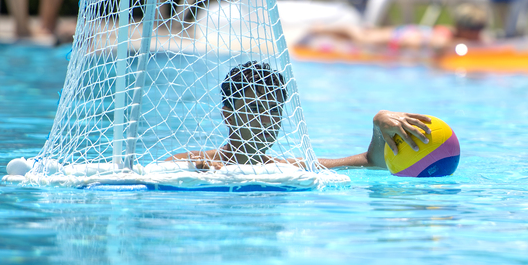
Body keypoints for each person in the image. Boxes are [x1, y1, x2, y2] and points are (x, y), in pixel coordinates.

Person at [168, 61, 431, 170]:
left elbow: (370, 162)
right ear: (228, 116)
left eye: (274, 111)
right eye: (255, 109)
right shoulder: (193, 163)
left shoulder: (288, 167)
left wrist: (379, 123)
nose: (267, 121)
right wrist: (196, 173)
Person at [303, 2, 490, 53]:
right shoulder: (446, 36)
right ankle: (321, 29)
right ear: (461, 27)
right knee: (362, 38)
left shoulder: (470, 37)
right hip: (402, 36)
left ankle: (327, 31)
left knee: (367, 36)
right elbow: (440, 45)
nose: (478, 32)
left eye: (480, 28)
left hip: (409, 33)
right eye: (474, 28)